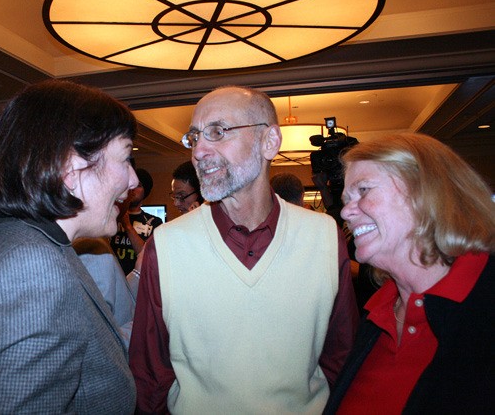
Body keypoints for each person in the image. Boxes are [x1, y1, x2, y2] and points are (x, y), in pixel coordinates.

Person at [129, 86, 359, 414]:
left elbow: (342, 357)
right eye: (194, 137)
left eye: (218, 132)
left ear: (270, 142)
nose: (199, 152)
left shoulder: (322, 236)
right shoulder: (166, 245)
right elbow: (150, 376)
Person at [0, 79, 138, 413]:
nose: (132, 181)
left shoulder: (15, 239)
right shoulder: (30, 264)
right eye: (125, 157)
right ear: (71, 166)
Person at [324, 133, 495, 414]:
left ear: (425, 191)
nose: (345, 212)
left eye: (364, 190)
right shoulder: (378, 313)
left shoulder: (484, 299)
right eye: (346, 199)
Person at [110, 168, 163, 274]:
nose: (132, 189)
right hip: (114, 277)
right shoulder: (113, 215)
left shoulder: (154, 222)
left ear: (145, 192)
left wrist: (128, 226)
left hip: (138, 279)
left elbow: (147, 256)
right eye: (130, 184)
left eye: (138, 185)